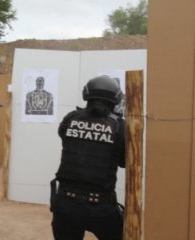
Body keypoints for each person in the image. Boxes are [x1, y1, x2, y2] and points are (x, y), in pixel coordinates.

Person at [50, 75, 125, 240]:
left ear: (87, 95)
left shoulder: (71, 118)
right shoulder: (119, 126)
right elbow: (125, 161)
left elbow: (66, 140)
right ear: (116, 99)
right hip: (100, 207)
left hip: (65, 204)